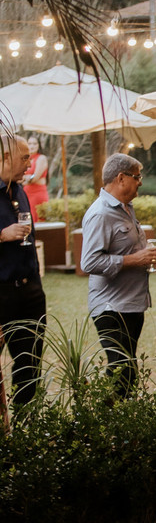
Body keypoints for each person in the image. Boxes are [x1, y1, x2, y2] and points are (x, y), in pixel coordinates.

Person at [79, 153, 156, 393]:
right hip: (111, 307)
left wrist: (145, 256)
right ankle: (105, 414)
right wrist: (135, 259)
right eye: (137, 177)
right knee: (121, 371)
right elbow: (89, 262)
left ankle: (119, 413)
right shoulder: (101, 213)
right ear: (121, 178)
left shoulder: (126, 208)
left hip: (131, 304)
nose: (140, 182)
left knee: (127, 371)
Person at [0, 134, 45, 409]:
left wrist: (36, 283)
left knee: (30, 363)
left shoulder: (19, 191)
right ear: (6, 157)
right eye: (24, 157)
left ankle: (26, 423)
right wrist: (2, 235)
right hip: (2, 292)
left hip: (30, 291)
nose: (30, 163)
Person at [22, 137, 49, 221]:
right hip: (26, 193)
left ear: (38, 145)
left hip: (38, 194)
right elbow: (19, 178)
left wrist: (27, 178)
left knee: (38, 219)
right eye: (29, 143)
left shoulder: (41, 158)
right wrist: (27, 178)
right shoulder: (25, 159)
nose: (32, 146)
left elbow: (35, 177)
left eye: (34, 143)